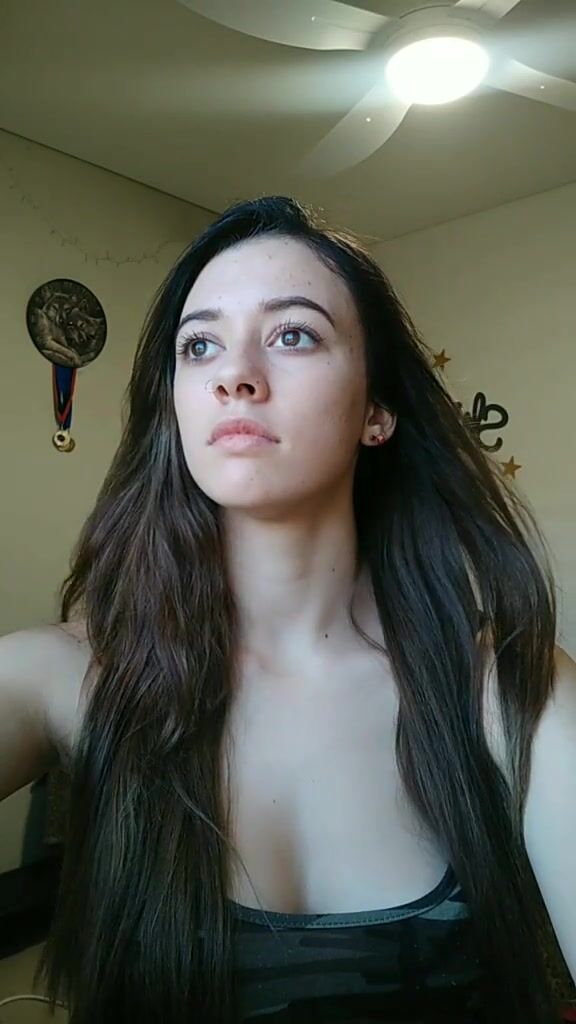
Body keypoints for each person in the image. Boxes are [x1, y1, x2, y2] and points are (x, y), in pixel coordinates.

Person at [1, 195, 574, 1024]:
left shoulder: (509, 690)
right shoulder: (61, 676)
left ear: (377, 411)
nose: (233, 375)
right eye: (200, 345)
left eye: (294, 334)